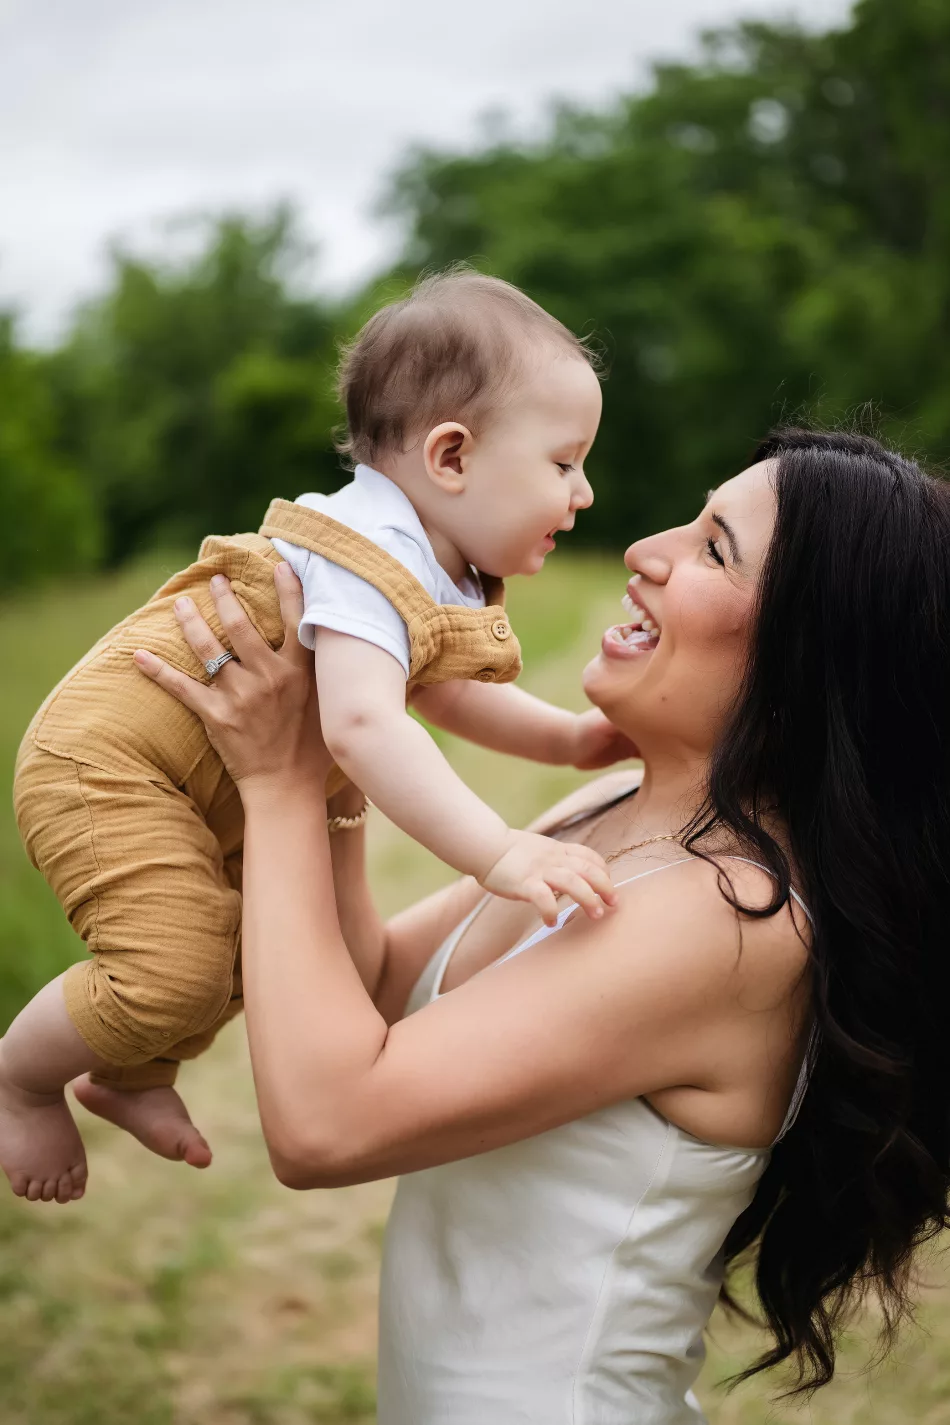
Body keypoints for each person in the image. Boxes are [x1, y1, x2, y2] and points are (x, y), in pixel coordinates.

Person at [131, 429, 950, 1420]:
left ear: (806, 655)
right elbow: (380, 985)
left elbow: (323, 1126)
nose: (647, 548)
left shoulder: (726, 915)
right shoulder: (606, 809)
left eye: (712, 549)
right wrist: (334, 763)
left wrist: (277, 784)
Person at [2, 271, 630, 1205]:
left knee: (264, 944)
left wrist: (575, 740)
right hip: (112, 766)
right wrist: (498, 849)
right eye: (564, 461)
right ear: (450, 455)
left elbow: (442, 697)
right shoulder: (365, 555)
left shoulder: (414, 558)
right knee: (174, 966)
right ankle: (20, 1077)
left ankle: (130, 1072)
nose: (582, 493)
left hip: (189, 771)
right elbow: (368, 724)